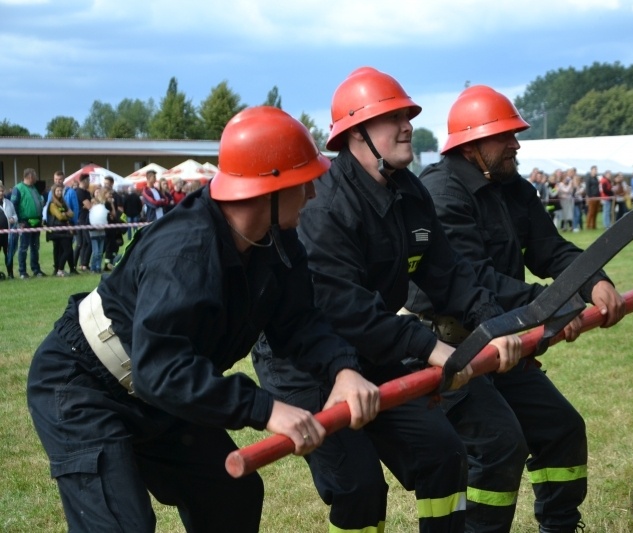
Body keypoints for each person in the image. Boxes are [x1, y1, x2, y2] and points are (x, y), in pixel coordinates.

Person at [26, 106, 380, 533]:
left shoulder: (278, 241)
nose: (313, 194)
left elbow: (300, 322)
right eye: (302, 182)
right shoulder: (185, 249)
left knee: (230, 497)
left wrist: (343, 369)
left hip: (158, 386)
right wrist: (265, 409)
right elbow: (160, 368)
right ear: (267, 189)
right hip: (84, 385)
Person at [251, 67, 522, 533]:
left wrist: (491, 325)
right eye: (392, 117)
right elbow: (344, 306)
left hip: (373, 353)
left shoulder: (410, 192)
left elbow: (450, 274)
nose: (407, 126)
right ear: (356, 133)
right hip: (305, 363)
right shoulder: (325, 206)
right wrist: (429, 347)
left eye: (407, 116)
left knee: (443, 454)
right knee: (359, 487)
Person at [406, 85, 626, 533]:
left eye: (515, 134)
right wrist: (549, 305)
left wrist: (593, 280)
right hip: (449, 350)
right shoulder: (441, 193)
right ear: (471, 145)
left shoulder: (512, 187)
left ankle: (560, 527)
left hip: (503, 339)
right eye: (504, 136)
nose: (516, 145)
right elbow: (473, 281)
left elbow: (550, 248)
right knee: (498, 446)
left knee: (562, 429)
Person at [10, 168, 46, 278]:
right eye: (35, 176)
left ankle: (36, 269)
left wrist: (40, 218)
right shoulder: (18, 188)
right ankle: (22, 271)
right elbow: (13, 205)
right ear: (30, 176)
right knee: (24, 247)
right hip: (25, 222)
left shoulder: (34, 188)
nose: (36, 178)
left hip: (36, 222)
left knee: (35, 247)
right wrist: (19, 221)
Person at [46, 183, 75, 277]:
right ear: (53, 192)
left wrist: (65, 214)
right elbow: (59, 216)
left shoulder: (63, 202)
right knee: (67, 250)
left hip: (64, 229)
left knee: (62, 251)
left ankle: (59, 269)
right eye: (57, 191)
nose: (59, 192)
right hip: (57, 231)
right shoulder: (52, 204)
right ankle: (59, 269)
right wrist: (66, 214)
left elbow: (72, 213)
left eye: (61, 190)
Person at [73, 173, 93, 271]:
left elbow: (89, 204)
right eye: (88, 181)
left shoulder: (87, 192)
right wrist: (89, 205)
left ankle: (82, 264)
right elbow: (90, 206)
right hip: (81, 220)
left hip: (86, 219)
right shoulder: (79, 192)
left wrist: (89, 204)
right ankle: (77, 264)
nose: (89, 183)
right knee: (86, 242)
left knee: (83, 243)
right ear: (84, 181)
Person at [0, 182, 19, 278]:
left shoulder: (9, 203)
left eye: (2, 191)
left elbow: (15, 215)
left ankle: (10, 274)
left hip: (7, 235)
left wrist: (13, 219)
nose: (1, 193)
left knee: (8, 254)